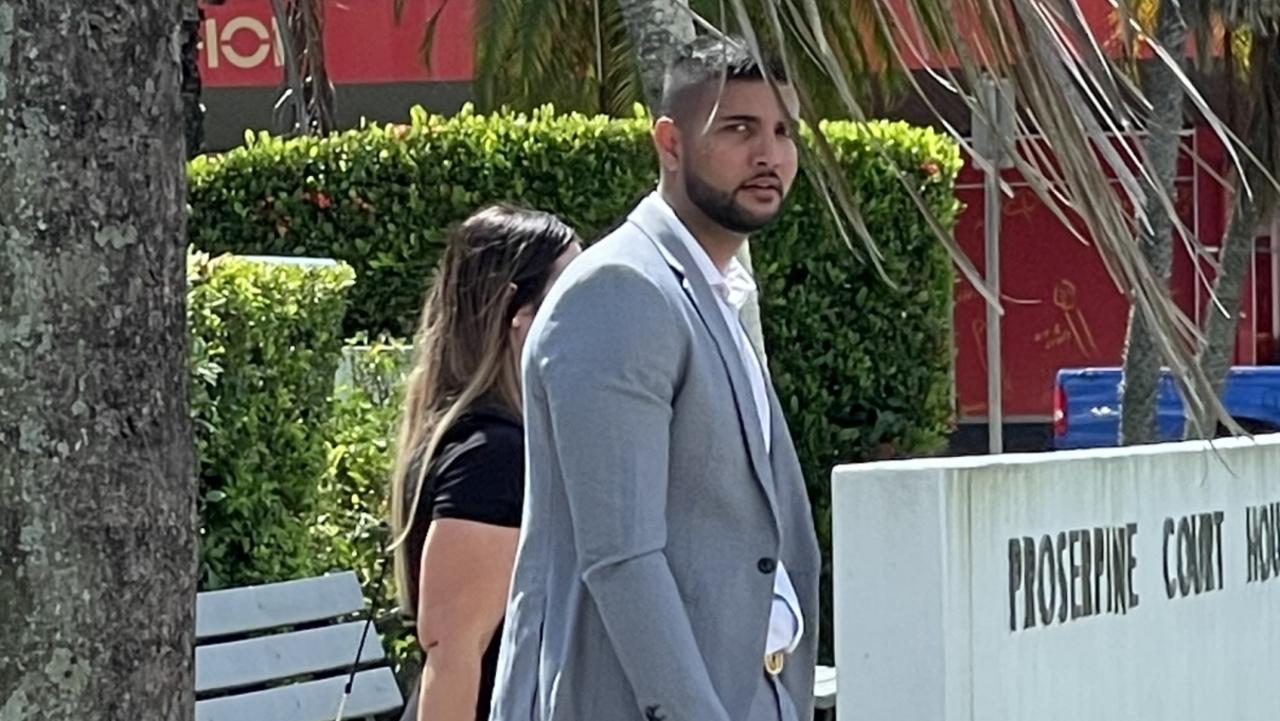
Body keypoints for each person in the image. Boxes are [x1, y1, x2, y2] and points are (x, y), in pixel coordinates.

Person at [488, 36, 821, 721]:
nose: (770, 154)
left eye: (783, 130)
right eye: (738, 128)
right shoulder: (620, 290)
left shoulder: (709, 289)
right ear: (669, 143)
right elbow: (621, 557)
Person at [387, 204, 581, 721]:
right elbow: (451, 654)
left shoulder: (475, 438)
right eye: (572, 296)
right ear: (522, 317)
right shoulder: (493, 456)